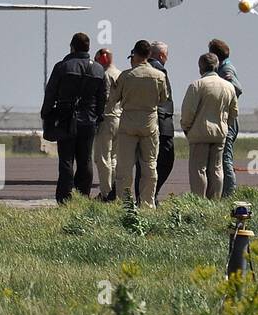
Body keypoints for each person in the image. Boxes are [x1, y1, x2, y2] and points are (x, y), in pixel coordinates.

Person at [41, 32, 106, 204]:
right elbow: (102, 98)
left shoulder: (62, 67)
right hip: (89, 121)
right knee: (85, 160)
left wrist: (46, 114)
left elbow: (51, 93)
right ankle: (83, 195)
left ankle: (64, 198)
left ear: (72, 47)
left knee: (66, 160)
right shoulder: (99, 69)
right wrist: (98, 117)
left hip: (65, 119)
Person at [112, 39, 169, 209]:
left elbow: (113, 99)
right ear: (149, 55)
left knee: (124, 167)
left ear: (135, 54)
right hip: (149, 124)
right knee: (149, 165)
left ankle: (125, 204)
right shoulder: (159, 76)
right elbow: (163, 98)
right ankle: (147, 203)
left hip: (128, 123)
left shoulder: (126, 75)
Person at [180, 52, 239, 199]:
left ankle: (200, 201)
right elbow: (234, 113)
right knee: (217, 169)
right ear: (217, 65)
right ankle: (215, 200)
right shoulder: (228, 87)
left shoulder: (197, 85)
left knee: (199, 169)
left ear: (201, 67)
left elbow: (188, 112)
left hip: (199, 133)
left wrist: (187, 128)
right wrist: (225, 126)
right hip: (219, 134)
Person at [209, 39, 243, 197]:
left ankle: (229, 194)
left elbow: (236, 88)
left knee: (225, 160)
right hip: (225, 120)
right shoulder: (224, 68)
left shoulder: (226, 69)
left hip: (227, 122)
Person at [147, 41, 176, 202]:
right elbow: (164, 99)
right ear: (162, 55)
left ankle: (149, 194)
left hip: (152, 120)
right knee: (165, 160)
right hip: (161, 121)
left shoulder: (147, 68)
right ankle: (152, 194)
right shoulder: (159, 70)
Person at [92, 48, 122, 201]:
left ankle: (106, 193)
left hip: (107, 119)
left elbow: (105, 97)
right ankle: (114, 191)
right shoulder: (120, 74)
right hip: (119, 118)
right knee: (114, 158)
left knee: (102, 158)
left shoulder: (104, 75)